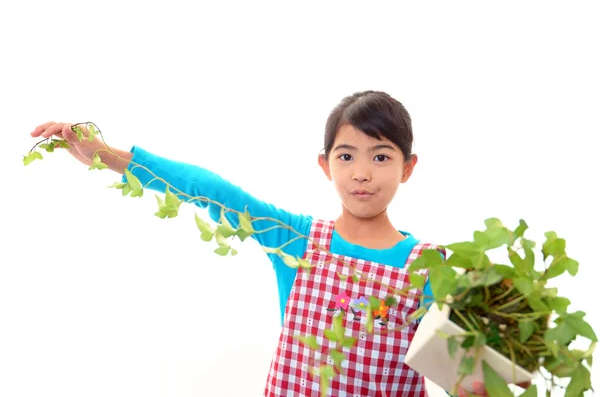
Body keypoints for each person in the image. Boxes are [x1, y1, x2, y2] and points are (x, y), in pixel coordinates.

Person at [30, 91, 491, 396]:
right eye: (346, 155)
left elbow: (463, 375)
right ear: (325, 165)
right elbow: (210, 191)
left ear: (407, 167)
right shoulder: (295, 239)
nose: (362, 172)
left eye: (381, 156)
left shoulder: (435, 267)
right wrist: (107, 156)